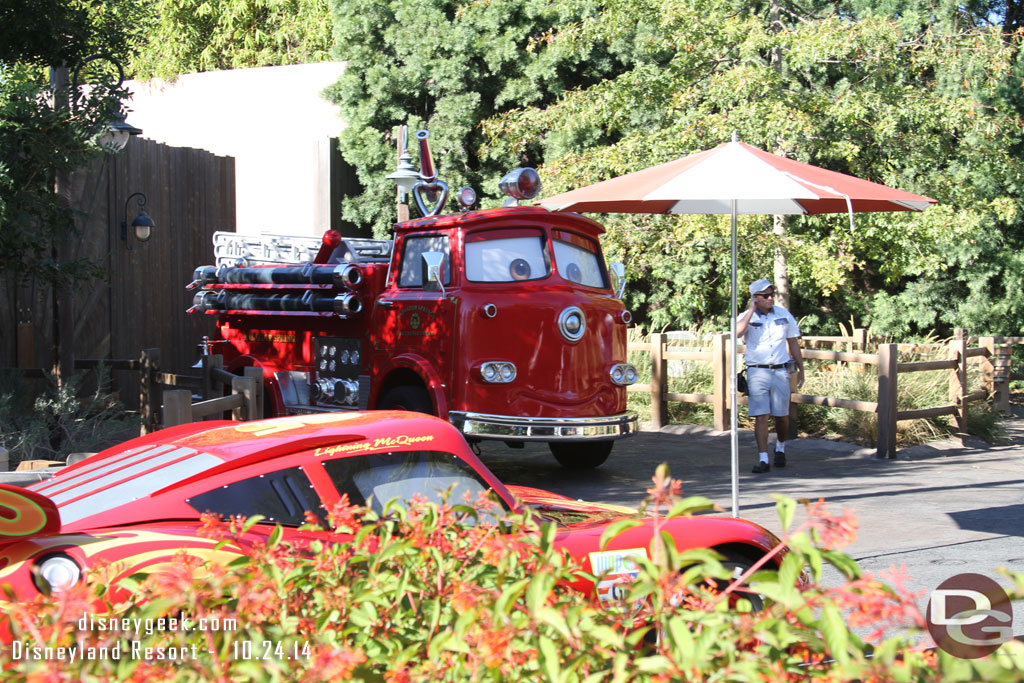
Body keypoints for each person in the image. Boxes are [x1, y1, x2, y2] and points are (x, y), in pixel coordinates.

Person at [736, 278, 804, 473]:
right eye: (765, 295)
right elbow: (738, 333)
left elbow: (793, 343)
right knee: (761, 415)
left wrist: (801, 369)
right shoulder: (746, 317)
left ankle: (780, 448)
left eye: (771, 294)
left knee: (782, 416)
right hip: (757, 370)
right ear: (755, 298)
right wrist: (750, 311)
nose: (769, 298)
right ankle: (763, 458)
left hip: (781, 370)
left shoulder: (783, 315)